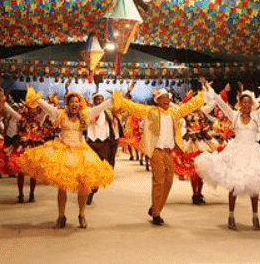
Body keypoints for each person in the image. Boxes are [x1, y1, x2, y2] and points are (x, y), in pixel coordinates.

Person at [195, 80, 260, 230]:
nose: (246, 105)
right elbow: (220, 101)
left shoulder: (257, 116)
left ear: (252, 104)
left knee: (254, 186)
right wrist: (207, 86)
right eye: (243, 102)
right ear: (240, 103)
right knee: (233, 185)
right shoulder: (234, 115)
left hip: (253, 152)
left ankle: (255, 217)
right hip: (236, 151)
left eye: (248, 102)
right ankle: (231, 216)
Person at [19, 89, 114, 229]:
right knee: (62, 187)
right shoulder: (60, 114)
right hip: (63, 152)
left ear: (80, 103)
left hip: (81, 153)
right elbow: (45, 106)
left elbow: (100, 107)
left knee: (83, 186)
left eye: (77, 102)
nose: (74, 104)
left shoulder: (85, 114)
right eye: (71, 102)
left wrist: (114, 100)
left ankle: (82, 215)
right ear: (68, 104)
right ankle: (61, 216)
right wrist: (36, 99)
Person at [112, 86, 204, 225]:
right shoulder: (151, 111)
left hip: (169, 151)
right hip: (156, 150)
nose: (166, 100)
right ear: (157, 100)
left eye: (168, 97)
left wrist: (202, 95)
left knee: (169, 181)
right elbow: (133, 107)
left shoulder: (174, 112)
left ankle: (156, 207)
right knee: (159, 180)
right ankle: (156, 213)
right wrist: (120, 99)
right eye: (163, 98)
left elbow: (188, 106)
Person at [85, 90, 120, 205]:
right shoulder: (88, 112)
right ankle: (88, 189)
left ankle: (93, 191)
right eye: (97, 99)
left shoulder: (108, 113)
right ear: (94, 101)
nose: (99, 101)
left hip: (104, 143)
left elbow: (115, 125)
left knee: (100, 169)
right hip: (90, 143)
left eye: (101, 99)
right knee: (90, 168)